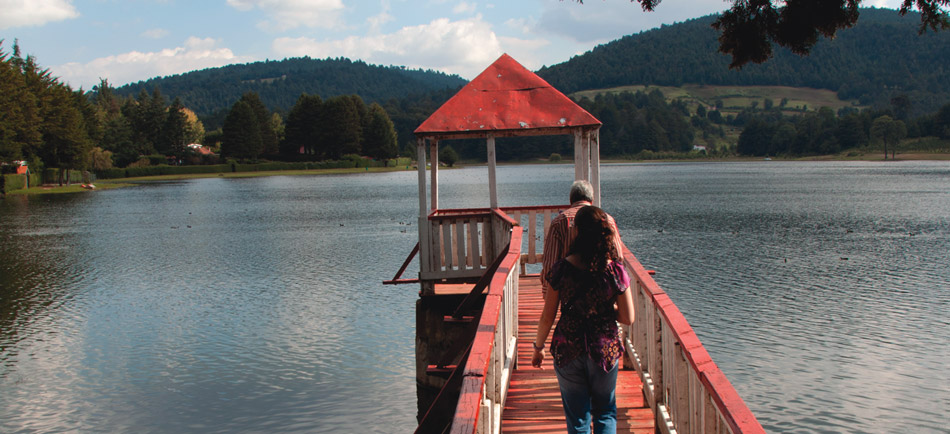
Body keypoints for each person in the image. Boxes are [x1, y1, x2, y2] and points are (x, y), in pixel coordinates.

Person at [531, 205, 635, 434]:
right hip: (604, 348)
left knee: (578, 418)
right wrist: (605, 312)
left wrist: (538, 348)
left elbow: (547, 317)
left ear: (576, 230)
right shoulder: (614, 270)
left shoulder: (562, 269)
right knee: (605, 411)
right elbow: (628, 317)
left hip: (568, 347)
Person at [541, 180, 623, 300]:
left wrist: (547, 293)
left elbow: (550, 264)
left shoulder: (559, 221)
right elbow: (619, 257)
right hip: (603, 289)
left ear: (571, 200)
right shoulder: (607, 220)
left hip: (569, 293)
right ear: (592, 200)